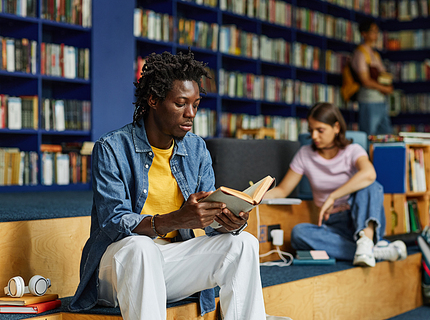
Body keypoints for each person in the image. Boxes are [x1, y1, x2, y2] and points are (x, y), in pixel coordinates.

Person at [68, 50, 289, 320]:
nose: (191, 113)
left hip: (169, 267)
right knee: (141, 247)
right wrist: (176, 219)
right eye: (181, 103)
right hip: (117, 269)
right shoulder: (112, 148)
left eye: (195, 104)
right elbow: (114, 222)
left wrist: (229, 221)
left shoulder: (196, 149)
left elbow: (209, 224)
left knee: (243, 243)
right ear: (153, 100)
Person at [264, 103, 406, 267]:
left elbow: (369, 174)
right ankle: (374, 252)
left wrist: (333, 196)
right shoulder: (305, 154)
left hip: (361, 217)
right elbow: (282, 190)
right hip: (333, 225)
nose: (314, 136)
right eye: (311, 130)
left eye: (320, 130)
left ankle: (366, 241)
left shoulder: (353, 150)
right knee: (299, 233)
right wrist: (252, 196)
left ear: (336, 127)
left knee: (370, 186)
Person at [351, 19, 394, 135]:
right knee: (369, 134)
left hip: (381, 100)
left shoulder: (375, 54)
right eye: (373, 31)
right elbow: (365, 80)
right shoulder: (360, 53)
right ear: (364, 34)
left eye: (377, 31)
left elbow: (383, 74)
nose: (376, 34)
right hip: (368, 100)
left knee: (386, 134)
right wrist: (384, 88)